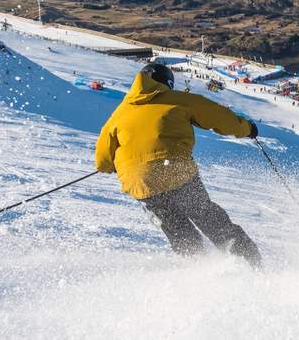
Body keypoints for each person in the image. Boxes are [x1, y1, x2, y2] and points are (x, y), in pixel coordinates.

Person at [96, 62, 263, 267]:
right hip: (174, 170)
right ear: (167, 83)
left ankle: (196, 270)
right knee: (207, 217)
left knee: (177, 229)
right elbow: (218, 117)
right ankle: (251, 263)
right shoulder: (179, 100)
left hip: (140, 182)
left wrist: (113, 166)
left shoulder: (120, 112)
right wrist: (247, 128)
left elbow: (102, 159)